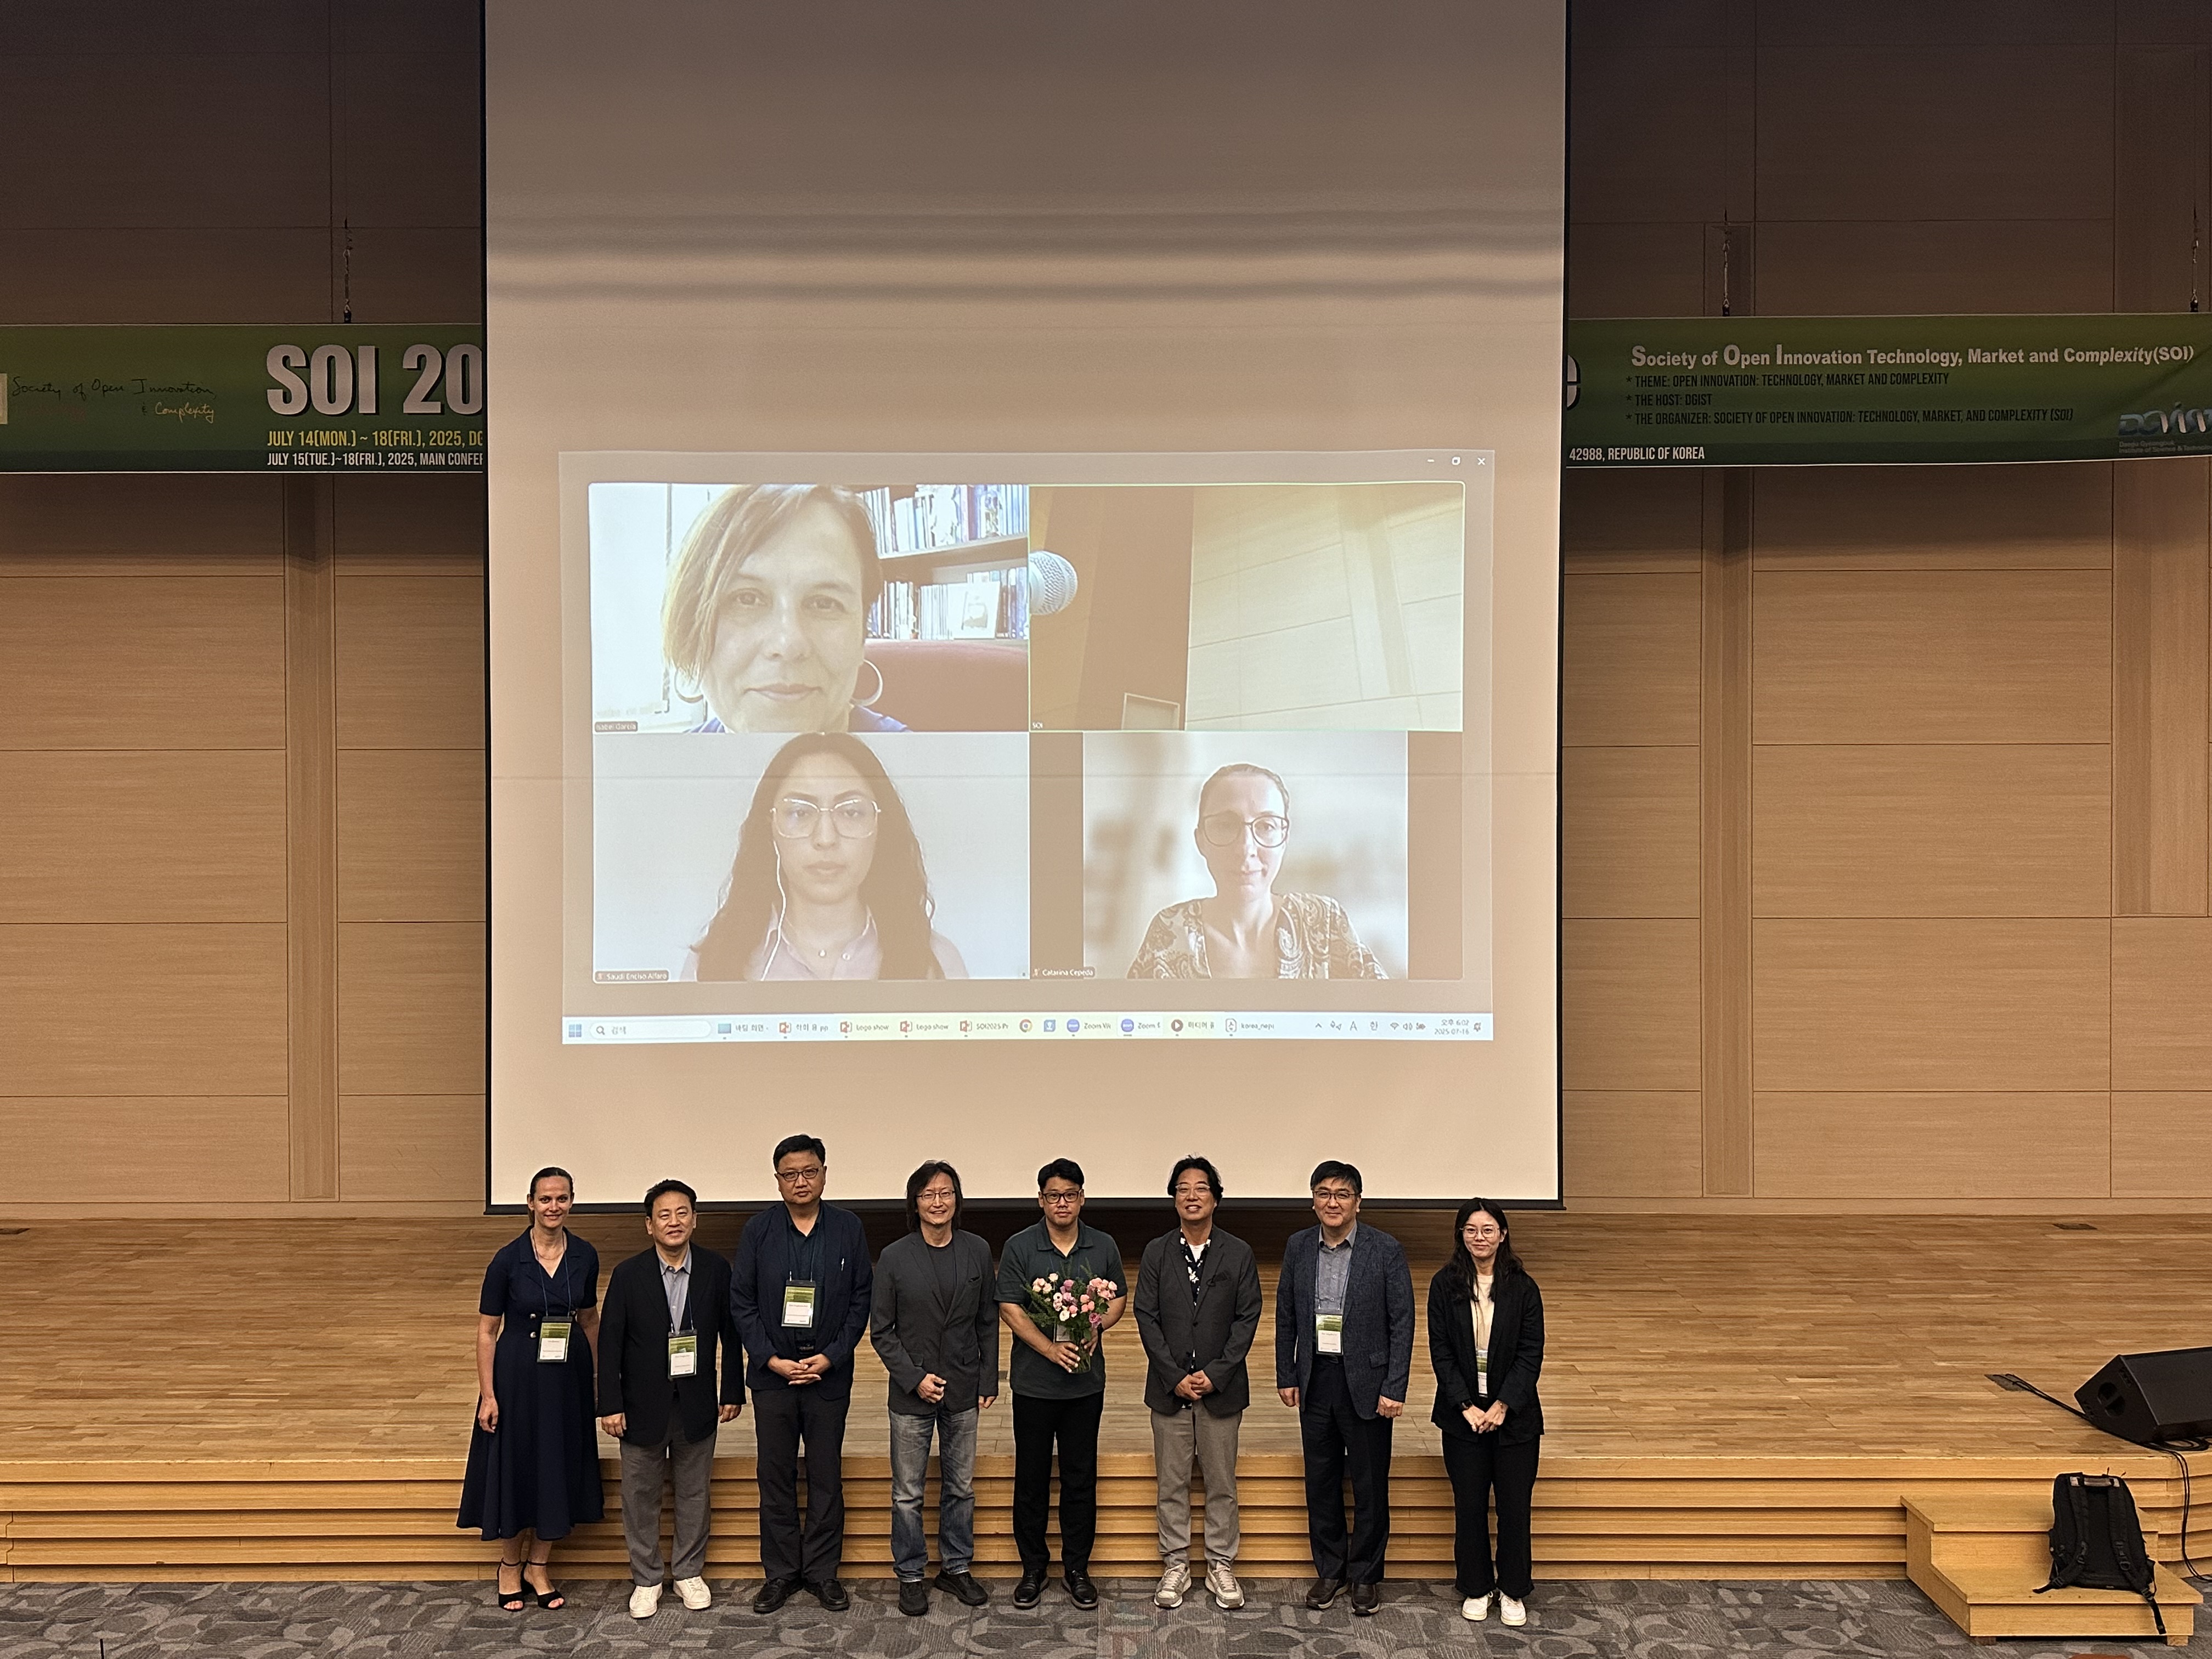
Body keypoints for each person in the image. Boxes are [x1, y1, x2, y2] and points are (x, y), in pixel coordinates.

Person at [682, 732, 969, 982]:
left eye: (851, 812)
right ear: (770, 827)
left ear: (880, 827)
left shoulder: (937, 962)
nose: (826, 839)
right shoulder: (712, 963)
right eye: (800, 813)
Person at [730, 1133, 873, 1613]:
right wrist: (770, 1358)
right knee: (775, 1476)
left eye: (809, 1172)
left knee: (826, 1476)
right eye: (790, 1174)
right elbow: (742, 1301)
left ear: (825, 1174)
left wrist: (831, 1356)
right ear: (777, 1180)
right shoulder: (758, 1230)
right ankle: (781, 1573)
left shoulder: (848, 1228)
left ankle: (822, 1573)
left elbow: (861, 1300)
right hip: (774, 1376)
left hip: (828, 1375)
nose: (801, 1182)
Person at [597, 1179, 745, 1619]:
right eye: (664, 1215)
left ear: (695, 1219)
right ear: (650, 1225)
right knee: (639, 1495)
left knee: (694, 1492)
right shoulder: (628, 1274)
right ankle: (646, 1579)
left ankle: (688, 1573)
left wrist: (732, 1390)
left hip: (697, 1401)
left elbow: (731, 1334)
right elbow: (610, 1343)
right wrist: (610, 1403)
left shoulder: (716, 1269)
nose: (674, 1222)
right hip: (640, 1405)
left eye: (683, 1213)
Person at [458, 1167, 603, 1611]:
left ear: (571, 1202)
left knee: (557, 1463)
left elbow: (589, 1320)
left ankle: (539, 1565)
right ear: (530, 1203)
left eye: (561, 1198)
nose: (553, 1207)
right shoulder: (507, 1260)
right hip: (516, 1377)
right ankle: (509, 1565)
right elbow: (487, 1331)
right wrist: (488, 1395)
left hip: (567, 1376)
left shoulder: (585, 1254)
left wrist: (596, 1381)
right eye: (545, 1199)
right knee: (517, 1464)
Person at [1273, 1159, 1414, 1616]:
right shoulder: (1298, 1246)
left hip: (1369, 1383)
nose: (1332, 1202)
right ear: (1313, 1200)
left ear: (1358, 1202)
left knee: (1370, 1484)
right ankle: (1330, 1570)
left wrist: (1395, 1386)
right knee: (1321, 1481)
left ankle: (1366, 1575)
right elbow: (1286, 1314)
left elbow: (1402, 1322)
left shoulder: (1385, 1248)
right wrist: (1287, 1373)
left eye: (1342, 1194)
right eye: (1323, 1193)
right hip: (1316, 1378)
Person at [661, 482, 906, 733]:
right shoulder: (658, 760)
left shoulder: (925, 759)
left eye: (824, 604)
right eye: (746, 599)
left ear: (862, 634)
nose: (788, 645)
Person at [995, 1158, 1129, 1609]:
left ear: (1082, 1199)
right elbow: (1010, 1307)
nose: (1062, 1203)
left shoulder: (1103, 1244)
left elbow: (1119, 1297)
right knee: (1031, 1480)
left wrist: (1098, 1326)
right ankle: (1033, 1568)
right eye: (1053, 1196)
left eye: (1070, 1195)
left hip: (1085, 1387)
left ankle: (1077, 1569)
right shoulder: (1020, 1246)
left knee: (1079, 1479)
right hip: (1034, 1385)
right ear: (1041, 1200)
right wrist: (1049, 1349)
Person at [868, 1161, 1000, 1616]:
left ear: (957, 1200)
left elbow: (987, 1320)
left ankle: (956, 1567)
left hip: (963, 1387)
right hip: (911, 1393)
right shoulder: (894, 1257)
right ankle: (910, 1574)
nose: (938, 1202)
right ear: (915, 1203)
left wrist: (988, 1378)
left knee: (960, 1487)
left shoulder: (977, 1250)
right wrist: (914, 1378)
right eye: (928, 1195)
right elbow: (881, 1330)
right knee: (908, 1493)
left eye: (946, 1193)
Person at [1132, 1156, 1263, 1612]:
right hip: (1169, 1391)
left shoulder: (1238, 1252)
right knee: (1171, 1484)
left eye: (1201, 1188)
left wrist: (1217, 1373)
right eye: (1182, 1189)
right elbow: (1145, 1315)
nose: (1192, 1196)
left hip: (1221, 1391)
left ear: (1216, 1199)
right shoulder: (1156, 1252)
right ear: (1174, 1199)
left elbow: (1247, 1318)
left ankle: (1221, 1564)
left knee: (1221, 1483)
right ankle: (1175, 1564)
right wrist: (1174, 1376)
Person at [1127, 763, 1384, 978]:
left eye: (1266, 826)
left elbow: (1386, 1013)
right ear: (1201, 841)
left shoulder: (1324, 922)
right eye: (1226, 825)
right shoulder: (1171, 930)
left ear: (1284, 839)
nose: (1245, 848)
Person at [1430, 1198, 1544, 1629]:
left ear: (1503, 1234)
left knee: (1514, 1508)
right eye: (1471, 1230)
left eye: (1488, 1230)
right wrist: (1466, 1406)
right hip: (1463, 1419)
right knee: (1470, 1507)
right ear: (1461, 1235)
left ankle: (1513, 1589)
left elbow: (1531, 1353)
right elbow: (1441, 1351)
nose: (1480, 1238)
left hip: (1514, 1419)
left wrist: (1501, 1405)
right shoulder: (1445, 1284)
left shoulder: (1523, 1287)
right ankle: (1477, 1587)